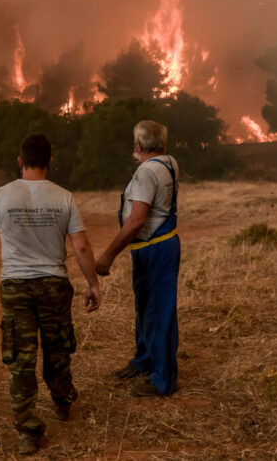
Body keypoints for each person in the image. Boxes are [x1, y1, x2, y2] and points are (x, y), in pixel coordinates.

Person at [0, 134, 101, 456]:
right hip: (53, 284)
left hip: (15, 287)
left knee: (21, 358)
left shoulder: (1, 196)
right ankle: (61, 402)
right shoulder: (64, 197)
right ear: (49, 161)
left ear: (20, 161)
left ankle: (27, 431)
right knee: (57, 347)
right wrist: (93, 283)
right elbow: (81, 246)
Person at [95, 119, 180, 397]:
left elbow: (136, 221)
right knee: (147, 307)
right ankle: (144, 360)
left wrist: (108, 254)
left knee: (158, 311)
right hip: (160, 245)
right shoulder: (169, 163)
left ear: (139, 145)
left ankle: (162, 380)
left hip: (154, 248)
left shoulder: (146, 173)